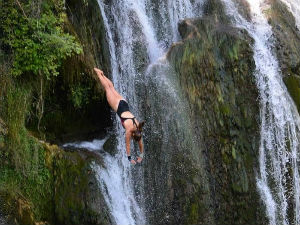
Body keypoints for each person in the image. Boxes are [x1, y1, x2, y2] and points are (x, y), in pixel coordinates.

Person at [94, 68, 145, 164]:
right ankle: (98, 73)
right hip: (118, 106)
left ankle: (102, 74)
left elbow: (140, 143)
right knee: (107, 88)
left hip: (124, 103)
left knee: (112, 88)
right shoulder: (129, 131)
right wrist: (130, 158)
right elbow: (128, 145)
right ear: (132, 135)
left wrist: (141, 156)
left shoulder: (139, 127)